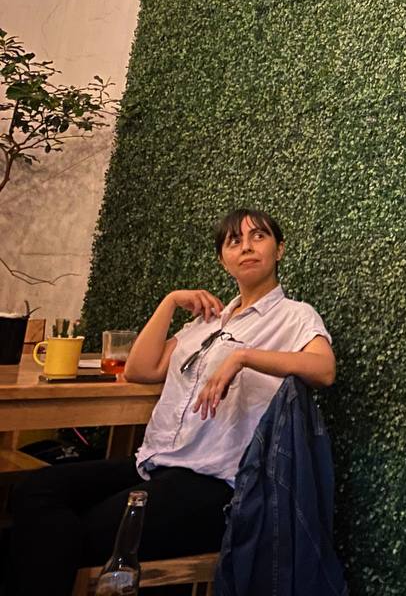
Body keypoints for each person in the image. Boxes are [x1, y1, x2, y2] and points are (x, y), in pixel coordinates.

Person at [5, 208, 336, 595]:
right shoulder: (208, 320)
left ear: (279, 250)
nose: (246, 247)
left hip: (215, 483)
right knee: (36, 490)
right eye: (234, 241)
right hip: (155, 464)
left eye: (258, 237)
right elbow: (140, 368)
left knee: (75, 533)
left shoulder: (294, 316)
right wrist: (171, 301)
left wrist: (243, 357)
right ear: (222, 259)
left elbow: (323, 368)